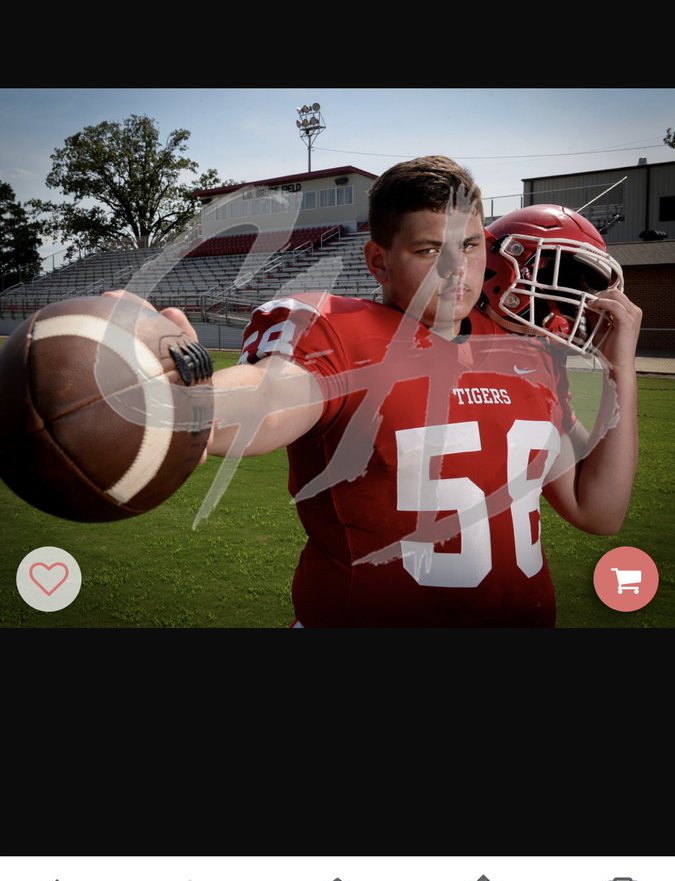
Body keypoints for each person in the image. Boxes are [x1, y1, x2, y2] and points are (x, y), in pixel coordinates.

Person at [162, 156, 642, 628]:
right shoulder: (342, 332)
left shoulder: (530, 355)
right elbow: (269, 398)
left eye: (470, 245)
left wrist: (620, 364)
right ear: (379, 261)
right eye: (429, 250)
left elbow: (598, 508)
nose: (457, 268)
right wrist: (197, 407)